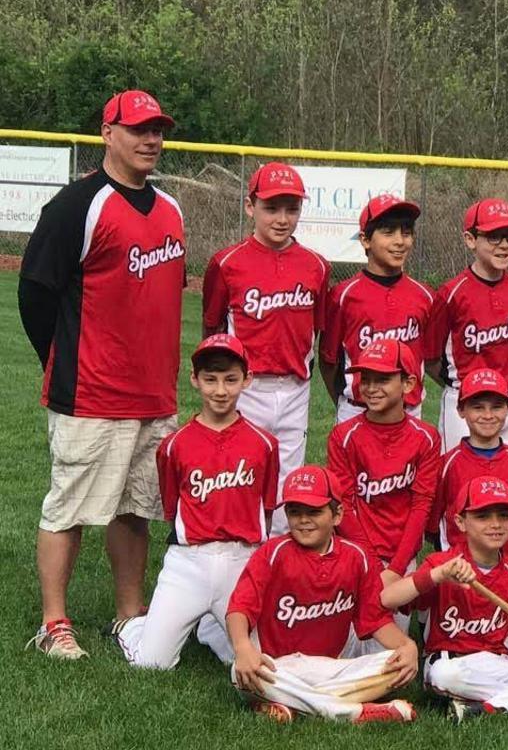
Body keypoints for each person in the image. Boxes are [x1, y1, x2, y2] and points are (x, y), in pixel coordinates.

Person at [20, 89, 184, 659]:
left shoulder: (171, 208)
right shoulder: (77, 205)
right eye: (138, 128)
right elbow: (35, 293)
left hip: (154, 394)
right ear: (107, 133)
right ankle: (54, 623)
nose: (150, 139)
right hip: (90, 392)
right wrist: (63, 361)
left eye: (157, 130)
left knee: (136, 509)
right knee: (69, 508)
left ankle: (129, 616)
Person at [110, 334, 278, 668]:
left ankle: (211, 628)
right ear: (194, 380)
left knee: (263, 662)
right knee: (152, 664)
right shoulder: (174, 445)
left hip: (242, 561)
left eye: (230, 379)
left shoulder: (264, 444)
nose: (220, 390)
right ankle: (131, 628)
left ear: (247, 379)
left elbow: (267, 509)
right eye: (210, 379)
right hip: (189, 562)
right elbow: (173, 508)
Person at [226, 465, 419, 723]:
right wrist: (242, 647)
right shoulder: (272, 553)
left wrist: (407, 646)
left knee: (395, 664)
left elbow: (375, 619)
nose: (303, 520)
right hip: (279, 666)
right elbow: (239, 607)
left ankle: (290, 703)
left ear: (337, 515)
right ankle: (353, 711)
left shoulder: (356, 557)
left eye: (314, 511)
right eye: (295, 512)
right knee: (241, 672)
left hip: (333, 666)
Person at [382, 475, 508, 722]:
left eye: (504, 516)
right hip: (454, 664)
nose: (495, 524)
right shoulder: (442, 564)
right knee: (444, 675)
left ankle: (488, 706)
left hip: (498, 665)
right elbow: (388, 599)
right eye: (483, 516)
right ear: (460, 522)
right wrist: (437, 575)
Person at [202, 161, 330, 536]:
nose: (282, 218)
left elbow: (316, 330)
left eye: (292, 208)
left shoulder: (316, 266)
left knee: (288, 479)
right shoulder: (227, 263)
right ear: (250, 206)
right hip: (246, 387)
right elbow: (212, 330)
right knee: (238, 473)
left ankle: (278, 552)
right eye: (271, 208)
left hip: (295, 388)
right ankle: (234, 546)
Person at [326, 338, 440, 650]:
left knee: (387, 657)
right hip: (355, 556)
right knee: (344, 652)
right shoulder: (344, 436)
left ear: (408, 384)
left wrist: (396, 568)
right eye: (366, 379)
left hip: (402, 558)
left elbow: (422, 505)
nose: (371, 388)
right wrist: (374, 567)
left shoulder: (426, 438)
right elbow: (343, 506)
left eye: (383, 379)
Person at [427, 198, 508, 452]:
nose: (504, 245)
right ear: (470, 240)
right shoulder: (451, 293)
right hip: (466, 401)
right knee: (458, 471)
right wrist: (460, 386)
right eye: (493, 237)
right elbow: (432, 359)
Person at [319, 194, 435, 424]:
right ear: (365, 240)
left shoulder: (425, 295)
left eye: (406, 232)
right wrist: (345, 401)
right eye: (388, 232)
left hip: (409, 411)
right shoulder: (343, 296)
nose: (400, 241)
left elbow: (432, 356)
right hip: (357, 410)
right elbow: (328, 361)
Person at [429, 368, 508, 564]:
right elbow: (433, 524)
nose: (488, 415)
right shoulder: (445, 466)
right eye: (478, 407)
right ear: (461, 410)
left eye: (496, 407)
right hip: (460, 569)